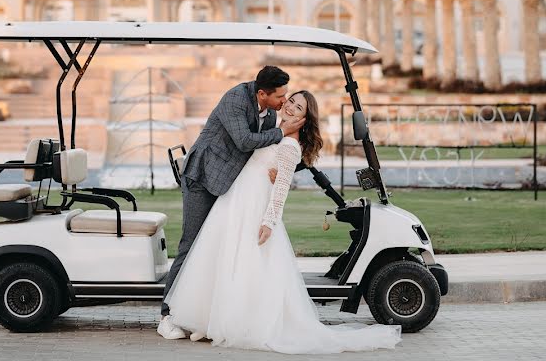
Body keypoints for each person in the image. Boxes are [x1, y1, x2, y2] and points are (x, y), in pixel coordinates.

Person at [164, 91, 402, 354]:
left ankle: (228, 323)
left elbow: (281, 190)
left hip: (253, 205)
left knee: (243, 263)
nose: (290, 107)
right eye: (290, 101)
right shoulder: (273, 130)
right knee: (222, 258)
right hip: (235, 199)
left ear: (304, 118)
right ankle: (209, 320)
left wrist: (269, 222)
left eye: (298, 107)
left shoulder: (289, 147)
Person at [158, 66, 305, 340]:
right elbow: (244, 141)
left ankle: (205, 316)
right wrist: (282, 132)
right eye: (280, 96)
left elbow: (279, 153)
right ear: (262, 93)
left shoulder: (271, 112)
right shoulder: (235, 99)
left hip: (231, 186)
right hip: (203, 177)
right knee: (191, 245)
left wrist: (275, 169)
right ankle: (167, 315)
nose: (284, 101)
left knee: (215, 250)